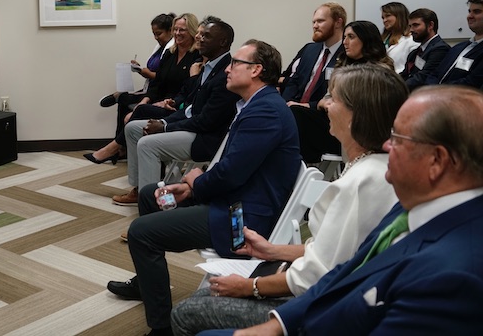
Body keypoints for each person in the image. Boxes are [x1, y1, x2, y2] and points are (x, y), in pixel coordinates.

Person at [199, 85, 483, 336]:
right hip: (315, 311)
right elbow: (349, 268)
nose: (387, 145)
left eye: (398, 138)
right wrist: (277, 323)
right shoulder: (416, 207)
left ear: (437, 160)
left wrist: (254, 288)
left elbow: (329, 276)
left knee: (192, 312)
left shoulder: (455, 274)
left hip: (325, 319)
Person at [170, 64, 406, 335]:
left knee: (186, 312)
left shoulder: (359, 182)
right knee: (202, 300)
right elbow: (343, 253)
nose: (324, 105)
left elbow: (317, 277)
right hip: (336, 295)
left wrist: (250, 287)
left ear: (355, 116)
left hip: (325, 309)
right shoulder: (377, 168)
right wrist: (273, 251)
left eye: (333, 98)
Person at [105, 40, 301, 336]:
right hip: (235, 199)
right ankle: (147, 283)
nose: (228, 68)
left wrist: (196, 182)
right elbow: (232, 170)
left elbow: (230, 175)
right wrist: (191, 188)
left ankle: (161, 329)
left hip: (243, 219)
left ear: (257, 70)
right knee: (150, 196)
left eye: (236, 63)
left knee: (141, 233)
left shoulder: (265, 112)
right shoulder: (256, 105)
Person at [112, 17, 239, 205]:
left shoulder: (224, 74)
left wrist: (164, 127)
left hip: (205, 138)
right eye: (200, 34)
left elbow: (205, 121)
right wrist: (164, 123)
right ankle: (141, 189)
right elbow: (190, 107)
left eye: (206, 36)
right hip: (192, 127)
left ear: (223, 42)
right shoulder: (207, 66)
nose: (200, 38)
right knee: (132, 129)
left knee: (147, 144)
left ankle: (152, 205)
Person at [86, 13, 200, 164]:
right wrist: (144, 100)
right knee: (135, 106)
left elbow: (191, 90)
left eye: (182, 30)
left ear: (192, 32)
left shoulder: (196, 57)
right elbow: (157, 83)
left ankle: (113, 149)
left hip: (175, 106)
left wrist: (168, 102)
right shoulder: (170, 54)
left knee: (139, 111)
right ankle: (120, 148)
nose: (178, 33)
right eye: (176, 29)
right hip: (160, 99)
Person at [294, 20, 394, 164]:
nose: (345, 42)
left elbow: (371, 107)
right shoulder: (342, 65)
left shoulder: (381, 71)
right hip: (334, 119)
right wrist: (328, 104)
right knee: (295, 113)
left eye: (351, 37)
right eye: (344, 37)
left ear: (366, 39)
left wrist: (337, 105)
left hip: (360, 129)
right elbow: (326, 98)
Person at [281, 3, 346, 164]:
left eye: (321, 21)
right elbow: (294, 81)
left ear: (338, 22)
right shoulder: (310, 49)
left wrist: (305, 106)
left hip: (325, 120)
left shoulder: (347, 53)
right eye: (314, 22)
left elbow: (341, 97)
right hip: (296, 111)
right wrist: (283, 104)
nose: (315, 26)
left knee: (295, 113)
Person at [99, 13, 176, 138]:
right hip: (151, 87)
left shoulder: (171, 50)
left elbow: (164, 78)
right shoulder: (160, 48)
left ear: (170, 31)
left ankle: (119, 144)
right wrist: (140, 68)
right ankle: (119, 143)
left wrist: (146, 73)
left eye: (159, 33)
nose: (156, 37)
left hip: (159, 92)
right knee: (125, 100)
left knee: (125, 100)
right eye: (154, 34)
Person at [426, 0, 483, 89]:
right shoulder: (458, 47)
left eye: (477, 12)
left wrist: (437, 90)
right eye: (469, 11)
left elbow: (472, 83)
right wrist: (429, 89)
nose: (470, 16)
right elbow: (435, 73)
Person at [399, 7, 449, 90]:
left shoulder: (440, 49)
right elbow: (405, 74)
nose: (411, 30)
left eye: (416, 25)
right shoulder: (416, 51)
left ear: (430, 25)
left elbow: (423, 77)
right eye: (410, 26)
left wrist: (396, 87)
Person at [379, 1, 418, 73]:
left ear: (399, 16)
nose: (384, 20)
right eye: (383, 18)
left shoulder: (411, 40)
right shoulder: (383, 39)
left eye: (388, 16)